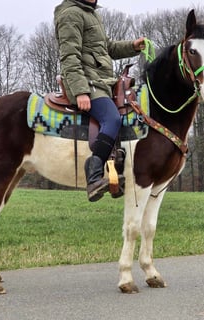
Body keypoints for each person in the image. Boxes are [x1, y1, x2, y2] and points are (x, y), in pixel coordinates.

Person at [54, 0, 145, 202]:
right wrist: (80, 91)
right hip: (87, 82)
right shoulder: (71, 14)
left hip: (102, 81)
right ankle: (94, 174)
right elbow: (69, 56)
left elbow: (107, 47)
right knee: (112, 119)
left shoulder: (91, 13)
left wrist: (133, 46)